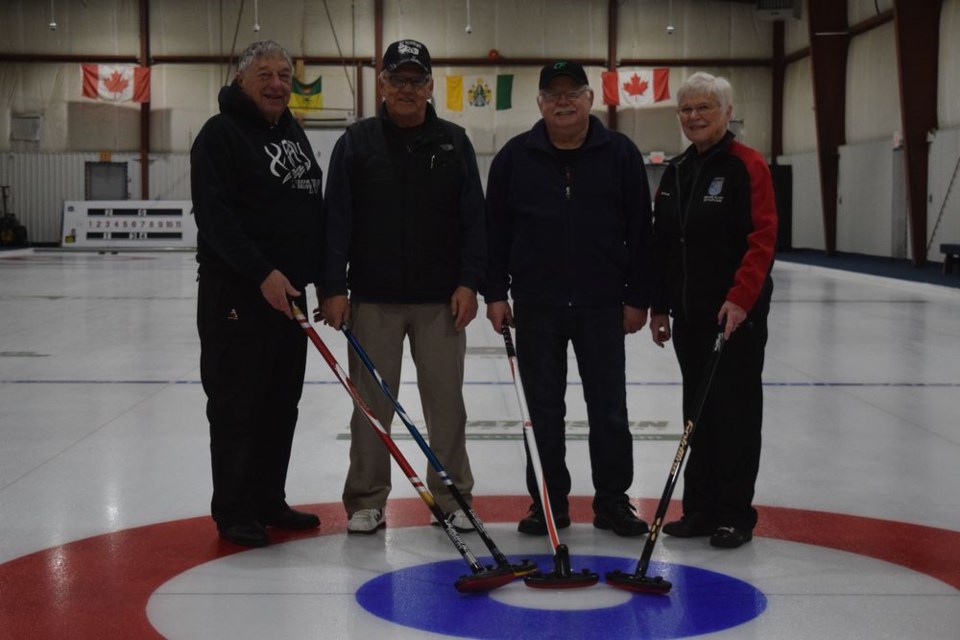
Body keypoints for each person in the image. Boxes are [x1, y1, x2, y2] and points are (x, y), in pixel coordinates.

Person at [320, 39, 485, 535]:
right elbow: (336, 221)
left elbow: (475, 221)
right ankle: (367, 500)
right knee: (371, 407)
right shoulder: (357, 142)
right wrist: (333, 287)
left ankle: (452, 497)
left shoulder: (455, 142)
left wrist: (469, 282)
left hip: (441, 301)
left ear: (431, 87)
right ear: (383, 85)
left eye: (417, 81)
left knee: (446, 404)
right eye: (398, 80)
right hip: (372, 299)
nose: (408, 89)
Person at [485, 60, 653, 538]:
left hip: (603, 305)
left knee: (609, 409)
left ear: (589, 99)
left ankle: (613, 502)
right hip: (536, 306)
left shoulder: (620, 154)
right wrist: (496, 293)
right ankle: (547, 505)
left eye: (573, 92)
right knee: (542, 412)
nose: (563, 101)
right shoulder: (514, 158)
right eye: (553, 94)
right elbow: (493, 232)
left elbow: (642, 231)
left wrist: (638, 296)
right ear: (539, 103)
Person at [191, 40, 324, 547]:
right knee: (237, 405)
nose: (276, 84)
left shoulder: (291, 130)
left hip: (289, 296)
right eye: (265, 74)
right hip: (238, 297)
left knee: (280, 402)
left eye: (285, 75)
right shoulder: (220, 135)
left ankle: (269, 498)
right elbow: (216, 219)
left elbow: (309, 207)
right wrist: (262, 272)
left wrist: (318, 278)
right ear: (241, 79)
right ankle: (234, 509)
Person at [649, 71, 777, 549]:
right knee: (696, 413)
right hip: (690, 317)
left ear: (727, 112)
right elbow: (662, 244)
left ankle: (734, 514)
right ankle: (699, 509)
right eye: (687, 109)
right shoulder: (677, 171)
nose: (695, 116)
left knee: (735, 413)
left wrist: (740, 299)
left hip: (735, 318)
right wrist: (660, 306)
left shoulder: (747, 165)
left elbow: (762, 239)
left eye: (705, 108)